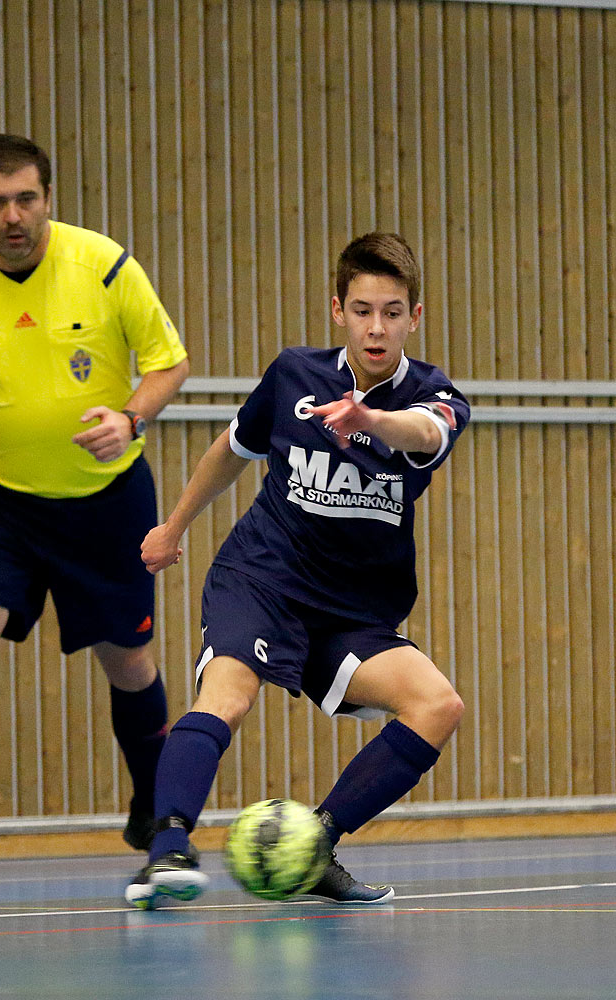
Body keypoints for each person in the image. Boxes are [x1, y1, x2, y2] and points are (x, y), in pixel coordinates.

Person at [123, 232, 470, 909]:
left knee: (437, 706)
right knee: (228, 696)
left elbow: (426, 433)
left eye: (393, 312)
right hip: (263, 577)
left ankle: (315, 845)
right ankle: (165, 855)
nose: (377, 327)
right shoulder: (294, 375)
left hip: (353, 610)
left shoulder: (436, 394)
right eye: (364, 309)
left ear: (415, 317)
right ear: (337, 308)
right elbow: (234, 448)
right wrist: (175, 525)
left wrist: (373, 419)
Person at [0, 134, 190, 875]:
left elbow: (168, 361)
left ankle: (154, 809)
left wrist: (131, 418)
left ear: (48, 198)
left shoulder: (105, 266)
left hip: (108, 500)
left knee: (129, 659)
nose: (13, 215)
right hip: (0, 502)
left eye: (26, 198)